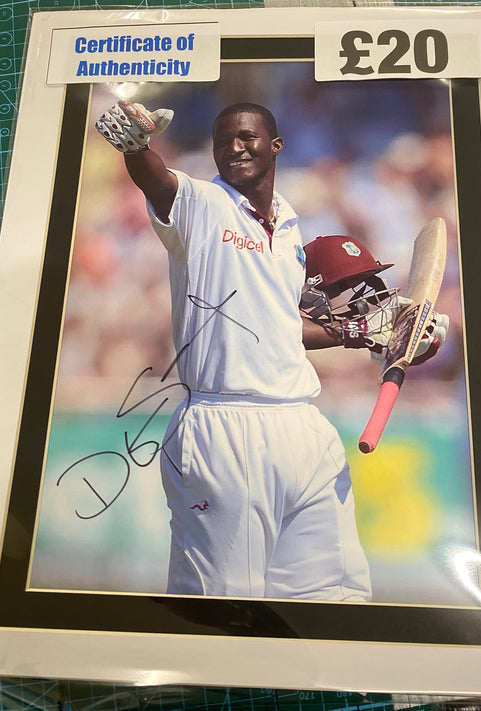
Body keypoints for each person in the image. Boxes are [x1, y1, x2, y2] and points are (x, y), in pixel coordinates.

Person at [95, 99, 446, 601]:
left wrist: (368, 331)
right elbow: (157, 180)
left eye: (247, 137)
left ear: (275, 146)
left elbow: (282, 324)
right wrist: (136, 149)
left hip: (301, 425)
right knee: (222, 611)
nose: (234, 148)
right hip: (223, 426)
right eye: (223, 141)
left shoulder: (289, 226)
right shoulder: (200, 203)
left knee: (335, 599)